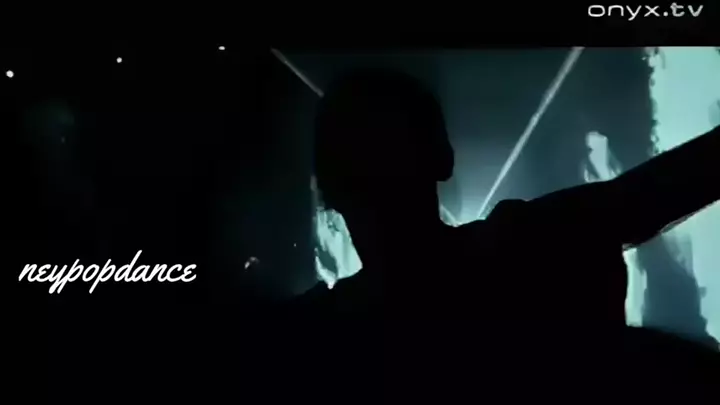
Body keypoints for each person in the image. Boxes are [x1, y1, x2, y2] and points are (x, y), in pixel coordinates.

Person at [298, 68, 720, 393]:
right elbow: (652, 193)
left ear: (327, 189)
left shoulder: (305, 342)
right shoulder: (534, 244)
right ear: (442, 156)